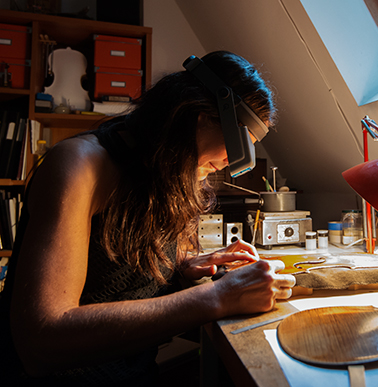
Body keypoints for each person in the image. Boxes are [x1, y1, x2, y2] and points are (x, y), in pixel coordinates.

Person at [0, 51, 295, 386]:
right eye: (238, 142)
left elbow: (124, 267)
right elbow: (41, 342)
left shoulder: (171, 176)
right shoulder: (79, 166)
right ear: (198, 115)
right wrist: (217, 297)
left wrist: (185, 263)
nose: (232, 160)